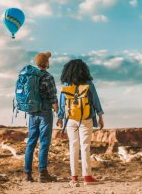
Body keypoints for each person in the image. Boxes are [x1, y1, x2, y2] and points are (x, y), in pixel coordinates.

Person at [57, 59, 105, 187]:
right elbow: (96, 101)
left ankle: (74, 178)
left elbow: (62, 104)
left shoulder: (66, 84)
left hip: (71, 119)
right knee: (85, 147)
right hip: (86, 118)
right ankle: (87, 177)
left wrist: (60, 118)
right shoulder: (89, 83)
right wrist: (100, 116)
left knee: (73, 147)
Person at [23, 52, 58, 183]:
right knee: (44, 142)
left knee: (31, 143)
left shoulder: (30, 77)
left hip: (32, 113)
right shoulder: (48, 77)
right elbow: (53, 97)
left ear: (37, 63)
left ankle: (27, 175)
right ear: (47, 63)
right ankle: (42, 174)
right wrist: (58, 113)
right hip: (45, 113)